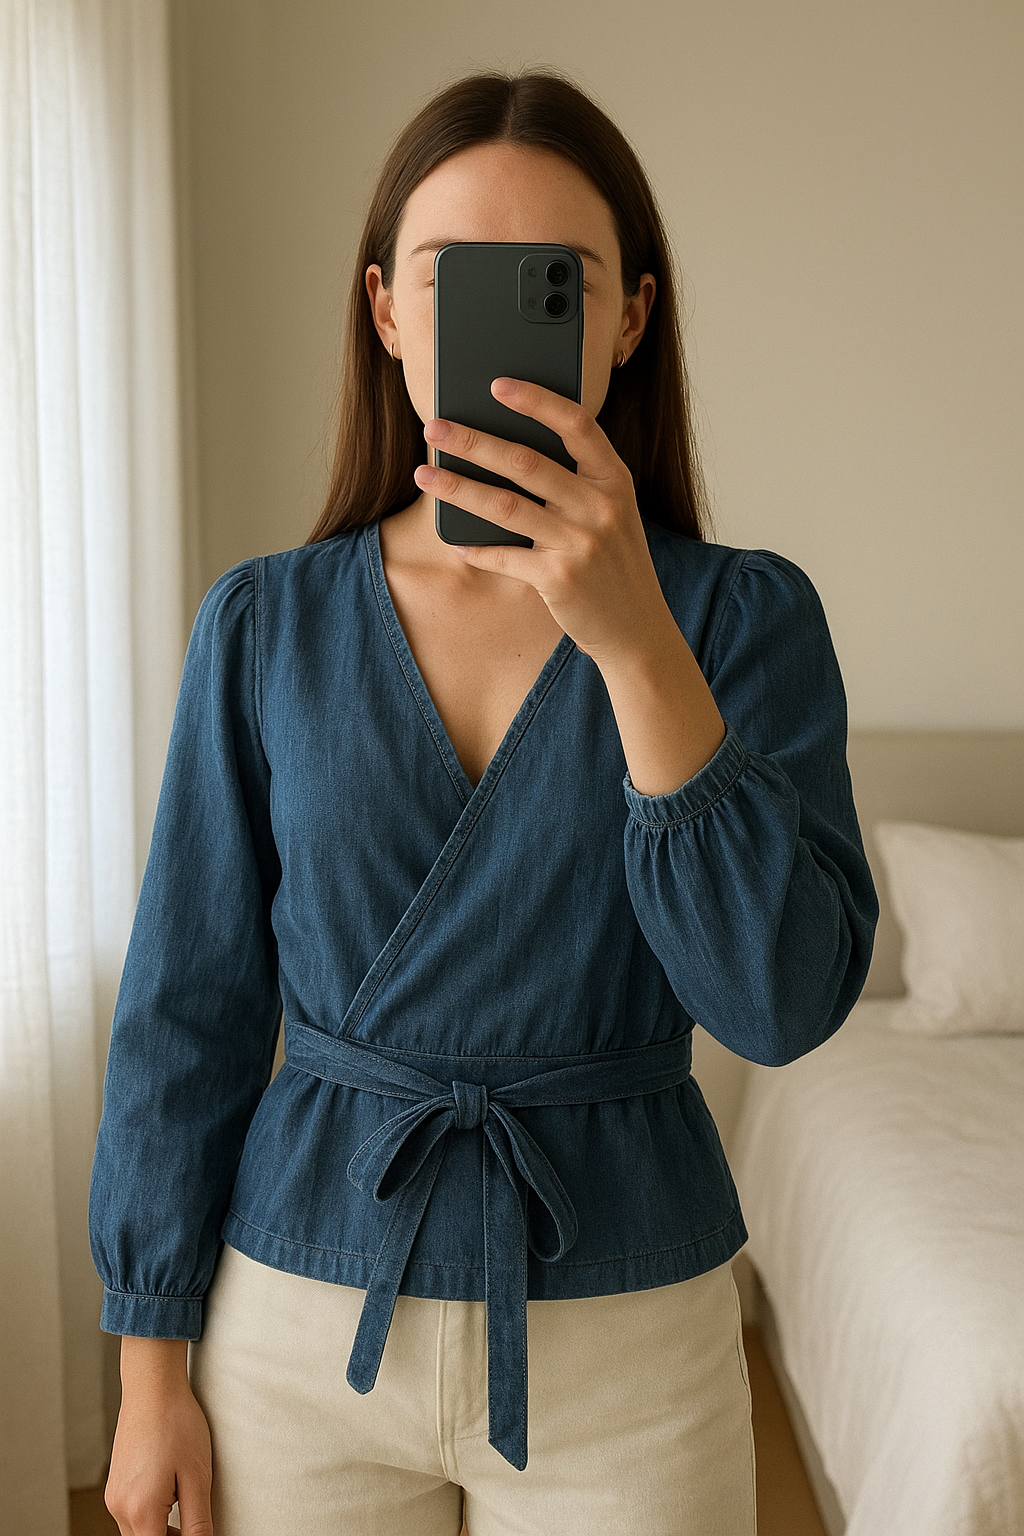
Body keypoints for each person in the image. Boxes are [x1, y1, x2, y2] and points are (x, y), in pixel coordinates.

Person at [90, 69, 878, 1536]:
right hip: (300, 1324)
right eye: (453, 281)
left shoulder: (741, 622)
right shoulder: (265, 626)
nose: (500, 331)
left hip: (631, 1339)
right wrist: (148, 1374)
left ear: (627, 320)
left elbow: (778, 1004)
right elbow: (185, 1009)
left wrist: (634, 644)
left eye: (553, 286)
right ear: (387, 312)